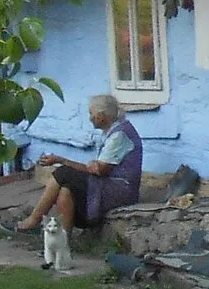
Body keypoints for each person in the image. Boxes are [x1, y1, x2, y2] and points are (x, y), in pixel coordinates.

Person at [11, 94, 143, 236]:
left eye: (91, 113)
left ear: (101, 116)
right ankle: (63, 240)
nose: (90, 118)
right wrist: (64, 161)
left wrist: (62, 161)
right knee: (66, 189)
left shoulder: (120, 135)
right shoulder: (111, 132)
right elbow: (94, 168)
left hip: (120, 190)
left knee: (63, 172)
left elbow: (100, 170)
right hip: (108, 185)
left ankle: (33, 220)